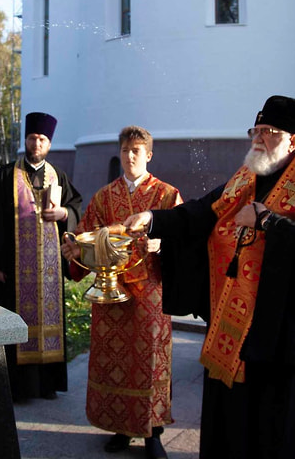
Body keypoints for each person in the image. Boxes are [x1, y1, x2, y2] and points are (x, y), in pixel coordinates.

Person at [123, 95, 295, 459]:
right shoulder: (247, 179)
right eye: (256, 130)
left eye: (269, 132)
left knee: (273, 429)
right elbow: (201, 212)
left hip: (279, 338)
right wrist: (154, 219)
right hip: (233, 326)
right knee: (232, 424)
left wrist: (268, 222)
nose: (259, 138)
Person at [61, 126, 181, 459]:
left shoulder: (167, 196)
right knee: (113, 361)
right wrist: (75, 253)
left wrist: (165, 244)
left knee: (150, 361)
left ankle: (152, 434)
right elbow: (85, 239)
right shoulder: (103, 197)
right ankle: (119, 427)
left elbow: (185, 240)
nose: (130, 156)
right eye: (126, 150)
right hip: (109, 294)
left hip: (150, 295)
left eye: (137, 151)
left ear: (149, 155)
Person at [0, 111, 83, 401]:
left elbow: (77, 206)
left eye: (43, 139)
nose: (37, 143)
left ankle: (46, 385)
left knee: (48, 324)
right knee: (16, 323)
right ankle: (19, 388)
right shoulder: (6, 175)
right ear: (26, 139)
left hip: (48, 273)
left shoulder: (58, 175)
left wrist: (64, 214)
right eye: (33, 138)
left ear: (49, 144)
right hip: (13, 270)